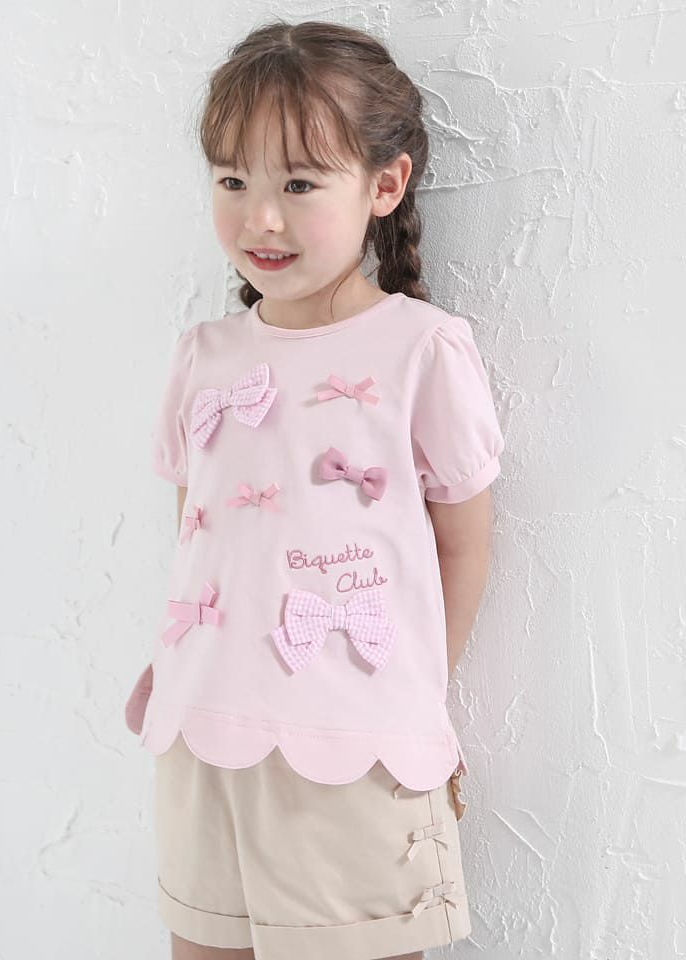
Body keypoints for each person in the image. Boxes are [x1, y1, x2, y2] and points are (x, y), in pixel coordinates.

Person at [125, 18, 506, 960]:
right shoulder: (206, 356)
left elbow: (462, 542)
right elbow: (199, 534)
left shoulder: (421, 350)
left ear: (385, 185)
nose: (262, 218)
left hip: (354, 748)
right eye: (233, 181)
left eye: (298, 184)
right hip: (202, 733)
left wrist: (417, 699)